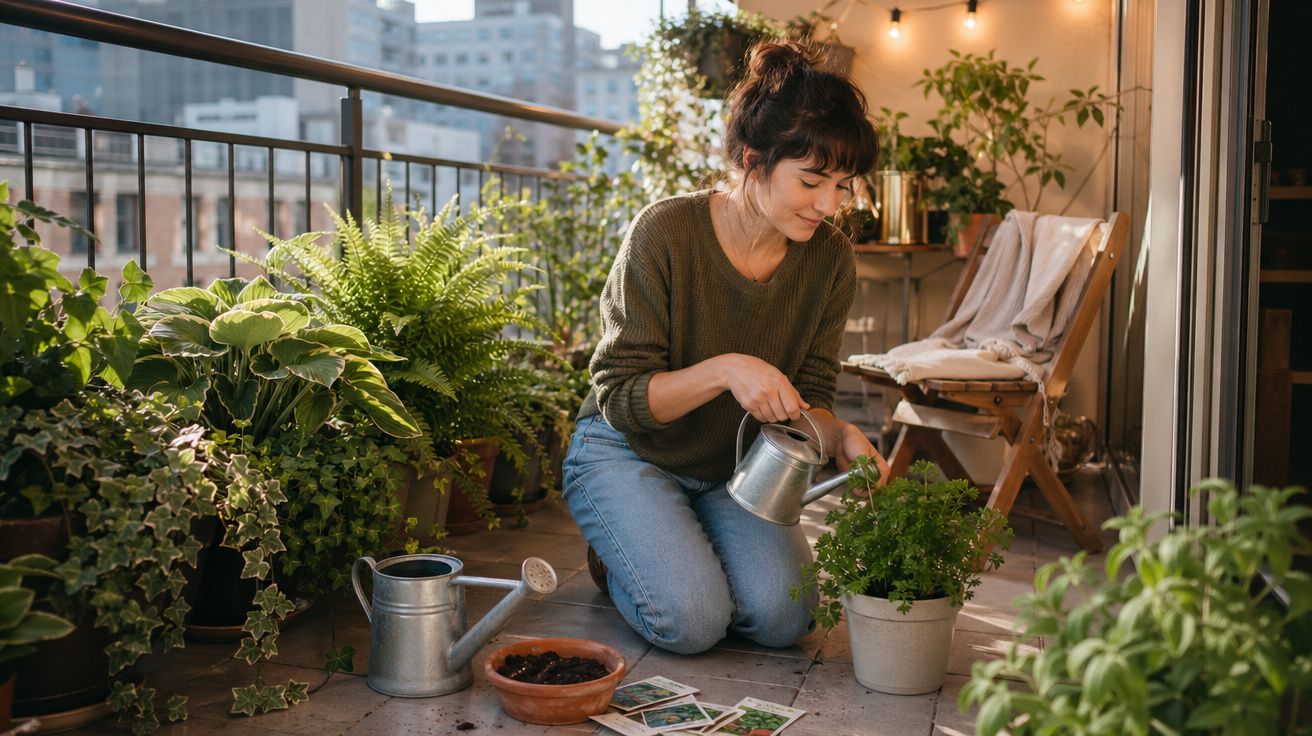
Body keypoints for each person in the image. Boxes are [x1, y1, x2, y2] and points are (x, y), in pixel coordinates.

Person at [561, 39, 891, 655]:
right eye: (812, 180)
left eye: (844, 186)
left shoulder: (830, 261)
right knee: (692, 623)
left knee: (785, 619)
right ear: (753, 160)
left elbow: (809, 401)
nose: (830, 205)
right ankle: (622, 550)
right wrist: (725, 370)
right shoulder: (666, 232)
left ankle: (676, 540)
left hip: (735, 473)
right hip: (630, 449)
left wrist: (839, 434)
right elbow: (621, 398)